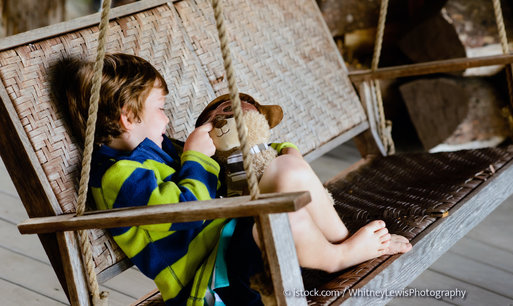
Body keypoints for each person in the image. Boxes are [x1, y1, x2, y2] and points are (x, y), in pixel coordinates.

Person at [54, 53, 411, 306]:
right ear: (128, 117)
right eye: (160, 108)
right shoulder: (118, 176)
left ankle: (342, 242)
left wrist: (281, 151)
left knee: (285, 171)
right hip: (215, 280)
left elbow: (231, 166)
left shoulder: (157, 150)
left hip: (232, 244)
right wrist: (195, 157)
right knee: (279, 218)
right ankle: (339, 258)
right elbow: (185, 210)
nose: (166, 119)